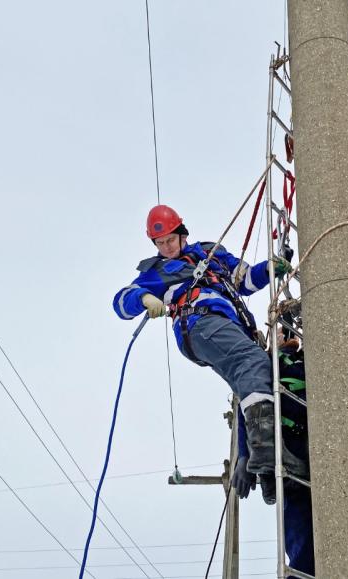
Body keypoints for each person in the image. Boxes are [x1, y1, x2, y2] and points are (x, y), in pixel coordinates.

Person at [113, 205, 307, 477]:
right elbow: (121, 301)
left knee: (252, 376)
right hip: (201, 323)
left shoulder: (212, 254)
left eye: (170, 239)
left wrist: (271, 268)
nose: (167, 247)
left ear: (182, 233)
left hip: (226, 326)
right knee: (251, 361)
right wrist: (144, 298)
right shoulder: (158, 271)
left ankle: (262, 468)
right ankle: (265, 451)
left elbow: (246, 280)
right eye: (160, 243)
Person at [231, 326, 314, 577]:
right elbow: (247, 409)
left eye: (291, 333)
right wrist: (244, 456)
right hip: (285, 450)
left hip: (315, 445)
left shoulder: (311, 358)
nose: (288, 337)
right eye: (280, 332)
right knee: (302, 537)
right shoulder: (264, 362)